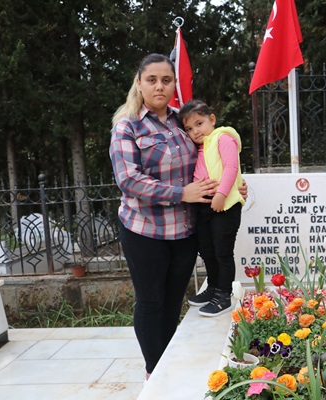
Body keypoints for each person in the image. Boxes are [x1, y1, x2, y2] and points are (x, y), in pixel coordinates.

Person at [109, 53, 245, 380]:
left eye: (166, 80)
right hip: (145, 231)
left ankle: (168, 363)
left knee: (172, 302)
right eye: (152, 80)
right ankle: (154, 372)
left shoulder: (182, 120)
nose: (159, 86)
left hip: (183, 231)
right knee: (151, 302)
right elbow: (128, 179)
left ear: (173, 85)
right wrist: (180, 193)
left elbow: (210, 157)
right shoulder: (127, 126)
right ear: (139, 83)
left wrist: (234, 182)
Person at [178, 100, 244, 317]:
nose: (195, 131)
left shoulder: (223, 138)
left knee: (222, 251)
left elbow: (231, 167)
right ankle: (213, 288)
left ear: (212, 119)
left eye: (199, 124)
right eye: (189, 128)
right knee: (207, 250)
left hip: (224, 205)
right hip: (203, 205)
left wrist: (221, 195)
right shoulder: (199, 147)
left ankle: (224, 294)